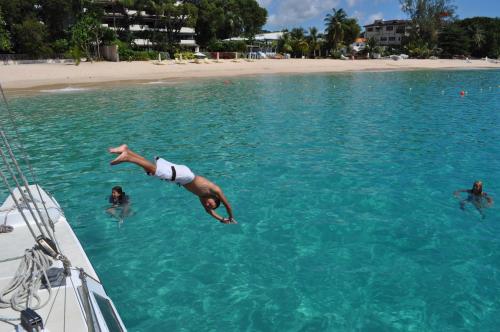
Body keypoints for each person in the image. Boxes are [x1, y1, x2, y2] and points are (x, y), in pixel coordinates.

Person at [108, 144, 236, 224]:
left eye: (209, 206)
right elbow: (227, 205)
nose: (208, 205)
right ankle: (127, 157)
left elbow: (209, 212)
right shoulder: (215, 190)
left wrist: (222, 219)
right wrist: (230, 217)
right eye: (212, 204)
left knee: (152, 170)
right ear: (215, 199)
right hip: (185, 176)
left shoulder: (203, 198)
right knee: (155, 171)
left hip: (181, 177)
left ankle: (127, 151)